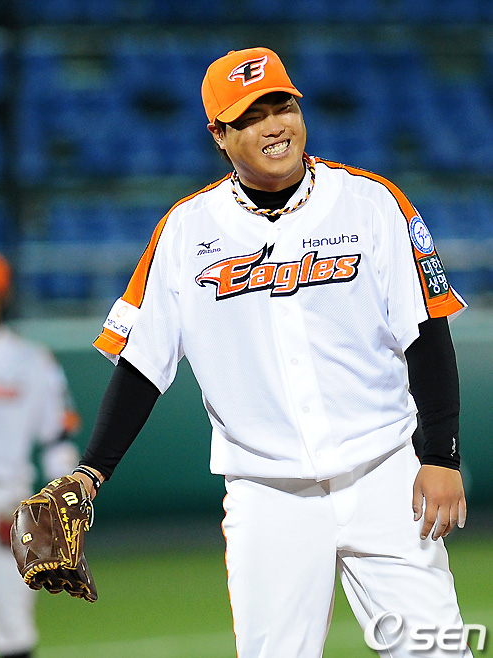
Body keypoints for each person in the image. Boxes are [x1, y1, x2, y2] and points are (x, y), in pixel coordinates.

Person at [67, 48, 470, 657]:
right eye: (250, 117)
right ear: (219, 136)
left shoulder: (371, 203)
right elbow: (142, 366)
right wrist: (91, 472)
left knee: (437, 650)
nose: (274, 126)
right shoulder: (185, 231)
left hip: (387, 476)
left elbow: (428, 333)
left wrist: (441, 454)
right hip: (268, 495)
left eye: (282, 107)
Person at [0, 251, 80, 658]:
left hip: (5, 505)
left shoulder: (30, 360)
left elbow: (57, 439)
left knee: (14, 632)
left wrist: (60, 503)